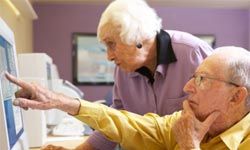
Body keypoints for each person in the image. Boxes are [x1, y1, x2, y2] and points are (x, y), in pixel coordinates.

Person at [5, 46, 250, 150]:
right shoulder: (189, 122)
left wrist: (188, 146)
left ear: (237, 95)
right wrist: (61, 101)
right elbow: (132, 124)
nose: (187, 87)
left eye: (202, 79)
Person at [69, 0, 212, 149]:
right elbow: (116, 120)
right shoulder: (122, 70)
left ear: (137, 38)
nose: (109, 56)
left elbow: (222, 112)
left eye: (112, 44)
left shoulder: (193, 53)